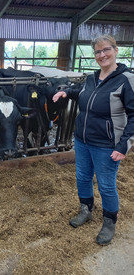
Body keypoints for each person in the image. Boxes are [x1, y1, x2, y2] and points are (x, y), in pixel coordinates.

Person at [53, 34, 134, 245]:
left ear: (116, 50)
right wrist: (66, 93)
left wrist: (124, 145)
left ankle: (109, 222)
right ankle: (86, 209)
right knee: (82, 177)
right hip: (82, 140)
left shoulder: (127, 79)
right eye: (97, 52)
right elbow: (82, 92)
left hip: (106, 145)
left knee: (107, 186)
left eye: (106, 49)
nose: (102, 55)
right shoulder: (92, 77)